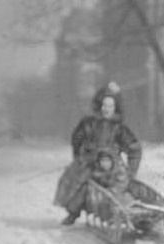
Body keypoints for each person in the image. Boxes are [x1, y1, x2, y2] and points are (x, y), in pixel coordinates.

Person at [53, 82, 142, 225]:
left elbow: (135, 148)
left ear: (115, 108)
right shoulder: (88, 123)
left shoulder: (119, 128)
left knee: (121, 184)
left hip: (110, 164)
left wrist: (132, 170)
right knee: (78, 182)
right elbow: (76, 140)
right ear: (98, 106)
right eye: (104, 105)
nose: (106, 109)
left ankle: (119, 210)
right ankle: (73, 212)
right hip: (89, 162)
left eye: (110, 106)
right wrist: (79, 158)